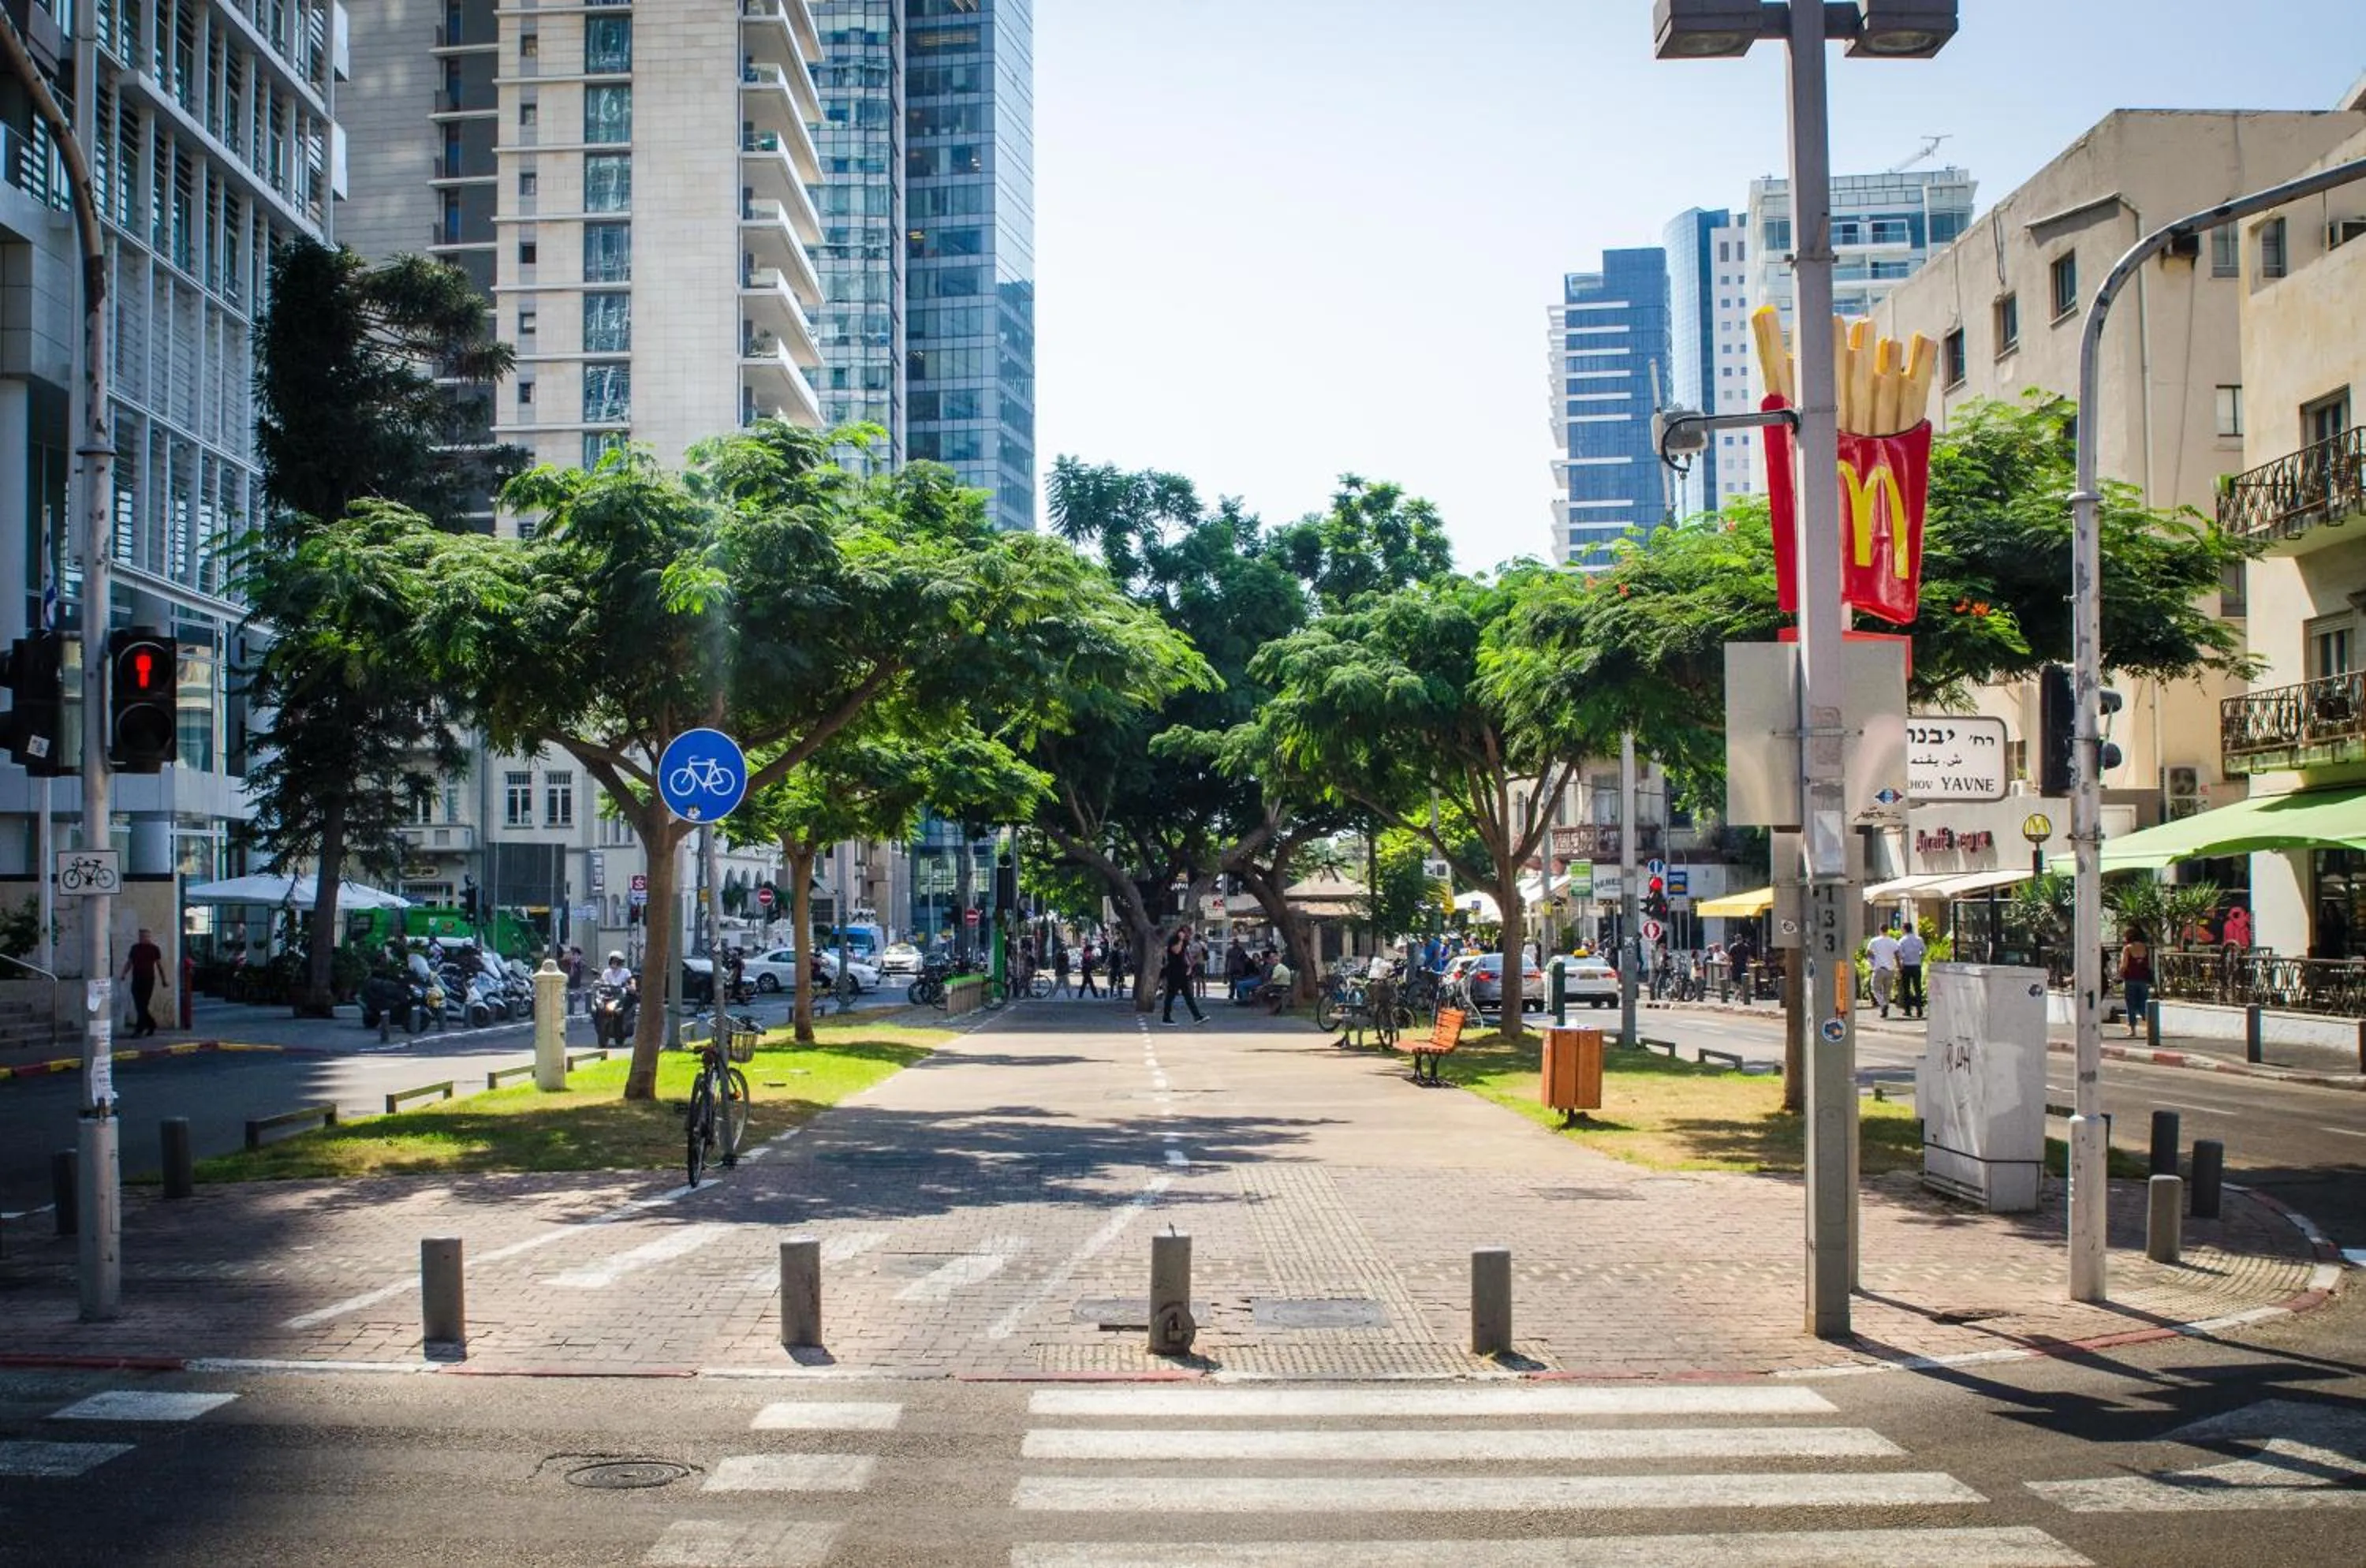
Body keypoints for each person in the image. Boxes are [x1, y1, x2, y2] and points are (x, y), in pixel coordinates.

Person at [123, 928, 167, 1037]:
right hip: (136, 979)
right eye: (141, 936)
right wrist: (123, 973)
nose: (143, 938)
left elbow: (159, 966)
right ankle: (151, 1024)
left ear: (149, 937)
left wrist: (164, 980)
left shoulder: (154, 949)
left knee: (143, 1004)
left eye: (145, 936)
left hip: (148, 980)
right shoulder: (135, 948)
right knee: (139, 1005)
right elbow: (129, 962)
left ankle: (139, 1030)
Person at [1160, 928, 1206, 1025]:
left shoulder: (1185, 942)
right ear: (1181, 933)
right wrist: (1180, 940)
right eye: (1187, 933)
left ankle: (1197, 1016)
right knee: (1171, 995)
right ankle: (1166, 1018)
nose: (1188, 936)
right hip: (1174, 972)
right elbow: (1176, 951)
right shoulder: (1173, 940)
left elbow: (1184, 955)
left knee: (1188, 995)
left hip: (1182, 971)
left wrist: (1189, 966)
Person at [2118, 931, 2153, 1038]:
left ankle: (2133, 1030)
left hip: (2130, 979)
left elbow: (2124, 965)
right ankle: (2150, 1028)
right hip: (2143, 979)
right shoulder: (2145, 948)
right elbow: (2150, 964)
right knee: (2143, 1004)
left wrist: (2120, 975)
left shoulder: (2127, 949)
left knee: (2131, 1005)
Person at [1867, 924, 1901, 1019]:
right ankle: (1884, 1010)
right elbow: (1897, 955)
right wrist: (1899, 968)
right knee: (1887, 991)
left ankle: (1883, 1004)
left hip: (1879, 968)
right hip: (1890, 969)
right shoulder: (1893, 941)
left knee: (1875, 988)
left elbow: (1868, 953)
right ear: (1888, 930)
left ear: (1880, 930)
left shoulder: (1874, 941)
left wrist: (1873, 963)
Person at [1895, 924, 1928, 1020]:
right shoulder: (1919, 939)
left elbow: (1899, 954)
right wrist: (1918, 956)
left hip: (1906, 966)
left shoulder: (1902, 941)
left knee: (1907, 989)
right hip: (1917, 965)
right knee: (1918, 988)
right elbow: (1924, 951)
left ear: (1904, 929)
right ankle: (1919, 1009)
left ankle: (1908, 1010)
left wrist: (1902, 963)